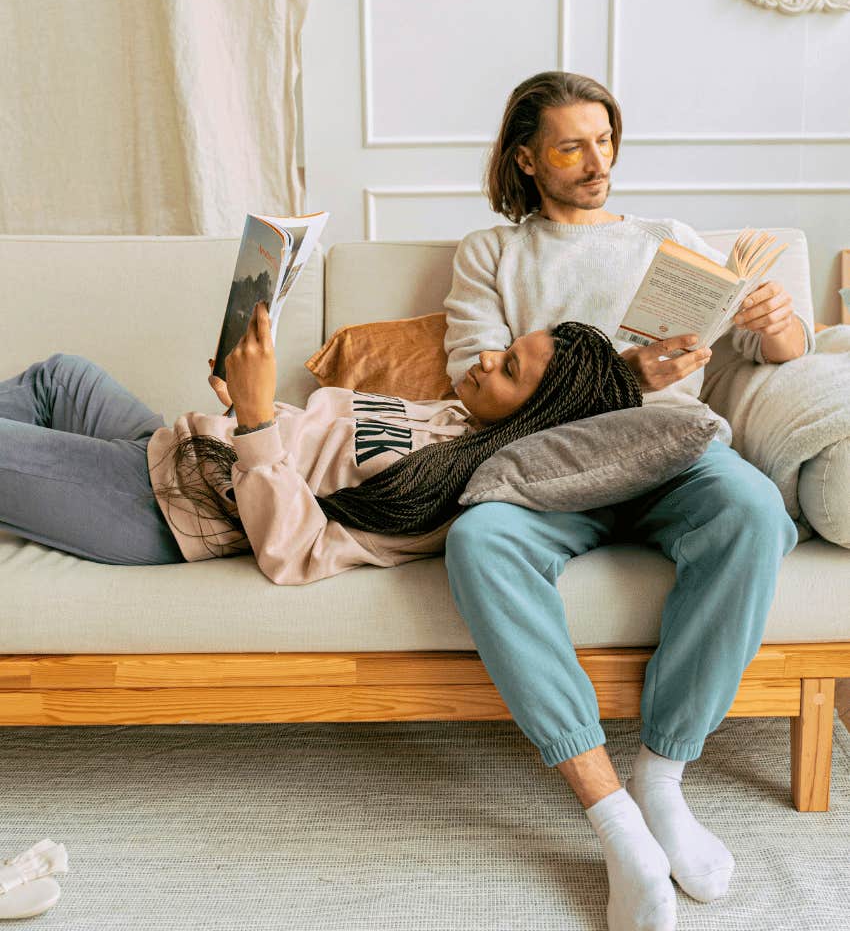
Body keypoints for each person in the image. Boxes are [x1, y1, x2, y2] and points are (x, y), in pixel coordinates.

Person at [442, 70, 813, 931]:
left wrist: (775, 316)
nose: (596, 161)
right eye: (571, 146)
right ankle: (615, 821)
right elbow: (479, 392)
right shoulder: (492, 253)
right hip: (551, 463)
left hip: (674, 453)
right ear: (527, 159)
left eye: (604, 140)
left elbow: (776, 354)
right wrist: (618, 374)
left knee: (756, 512)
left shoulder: (666, 237)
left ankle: (664, 779)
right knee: (479, 541)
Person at [0, 306, 641, 587]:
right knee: (64, 375)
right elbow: (304, 446)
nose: (487, 357)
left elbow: (297, 551)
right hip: (182, 446)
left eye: (509, 370)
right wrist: (239, 402)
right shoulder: (453, 414)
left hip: (164, 508)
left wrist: (253, 418)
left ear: (536, 417)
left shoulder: (440, 487)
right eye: (508, 348)